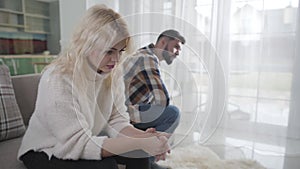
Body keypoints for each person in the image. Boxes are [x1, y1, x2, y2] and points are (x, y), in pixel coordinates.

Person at [18, 5, 170, 169]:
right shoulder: (58, 79)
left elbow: (117, 120)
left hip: (79, 141)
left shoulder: (112, 74)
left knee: (138, 152)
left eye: (120, 51)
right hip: (46, 150)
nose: (116, 59)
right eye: (109, 51)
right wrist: (135, 142)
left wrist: (145, 139)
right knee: (107, 165)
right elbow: (76, 143)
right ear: (87, 44)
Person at [122, 29, 185, 169]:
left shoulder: (143, 54)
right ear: (163, 42)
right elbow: (163, 99)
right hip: (126, 115)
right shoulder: (147, 58)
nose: (177, 52)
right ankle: (149, 161)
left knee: (161, 115)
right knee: (172, 113)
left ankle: (148, 161)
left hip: (128, 112)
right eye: (175, 47)